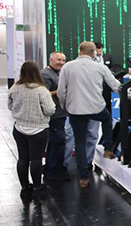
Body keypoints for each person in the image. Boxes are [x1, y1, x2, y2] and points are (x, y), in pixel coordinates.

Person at [58, 41, 121, 188]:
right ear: (94, 53)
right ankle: (108, 148)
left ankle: (83, 177)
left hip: (75, 111)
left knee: (79, 142)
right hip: (96, 108)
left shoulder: (67, 66)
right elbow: (116, 86)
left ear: (79, 52)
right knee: (107, 120)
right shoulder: (100, 67)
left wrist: (65, 106)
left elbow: (61, 91)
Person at [9, 61, 56, 196]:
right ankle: (37, 187)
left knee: (23, 158)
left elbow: (10, 106)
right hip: (38, 130)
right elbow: (50, 110)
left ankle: (25, 187)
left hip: (19, 128)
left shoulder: (14, 88)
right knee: (36, 159)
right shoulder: (41, 90)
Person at [40, 52, 69, 181]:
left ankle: (51, 168)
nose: (61, 63)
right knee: (57, 142)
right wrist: (59, 92)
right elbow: (42, 93)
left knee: (57, 142)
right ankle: (53, 171)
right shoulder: (45, 74)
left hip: (61, 113)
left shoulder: (61, 73)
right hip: (53, 115)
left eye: (63, 60)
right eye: (59, 60)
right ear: (50, 59)